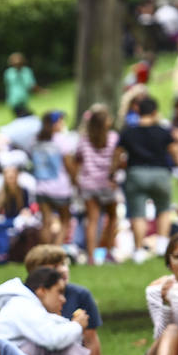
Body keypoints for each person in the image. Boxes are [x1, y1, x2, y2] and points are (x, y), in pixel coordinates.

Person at [0, 268, 90, 355]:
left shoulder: (26, 305)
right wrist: (77, 325)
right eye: (59, 292)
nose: (63, 299)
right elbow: (52, 339)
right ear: (42, 290)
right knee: (51, 346)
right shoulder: (22, 305)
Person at [117, 95, 178, 259]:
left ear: (137, 111)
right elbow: (175, 152)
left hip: (136, 173)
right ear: (155, 111)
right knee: (163, 208)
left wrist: (114, 172)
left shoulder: (128, 132)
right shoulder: (163, 131)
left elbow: (118, 155)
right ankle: (162, 246)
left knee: (137, 212)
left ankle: (139, 250)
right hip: (160, 173)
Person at [23, 245, 103, 355]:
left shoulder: (80, 295)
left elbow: (90, 340)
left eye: (63, 264)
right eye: (55, 266)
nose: (63, 270)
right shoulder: (25, 301)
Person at [70, 104, 120, 262]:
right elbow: (117, 159)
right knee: (112, 217)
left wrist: (76, 181)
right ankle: (109, 252)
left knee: (92, 220)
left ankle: (91, 256)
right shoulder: (113, 138)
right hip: (107, 183)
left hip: (88, 184)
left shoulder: (84, 140)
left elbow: (77, 159)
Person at [29, 111, 72, 245]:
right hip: (60, 187)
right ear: (56, 123)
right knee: (65, 220)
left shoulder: (36, 139)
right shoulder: (60, 140)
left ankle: (45, 253)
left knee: (46, 222)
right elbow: (68, 163)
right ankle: (56, 251)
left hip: (41, 186)